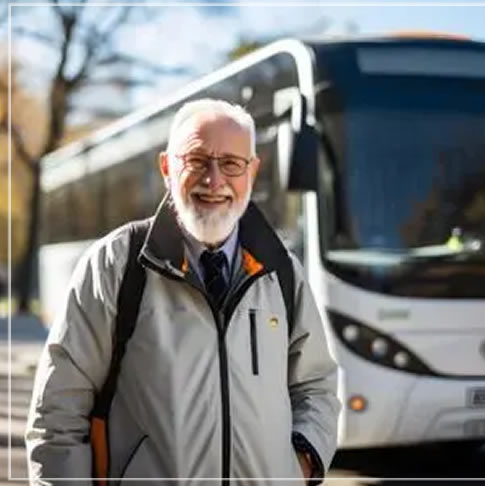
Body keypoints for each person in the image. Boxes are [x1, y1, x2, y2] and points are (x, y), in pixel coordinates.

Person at [25, 99, 340, 484]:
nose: (214, 180)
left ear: (252, 172)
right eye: (196, 160)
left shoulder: (283, 271)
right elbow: (58, 413)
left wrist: (301, 463)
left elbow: (316, 385)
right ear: (166, 168)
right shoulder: (116, 263)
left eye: (230, 163)